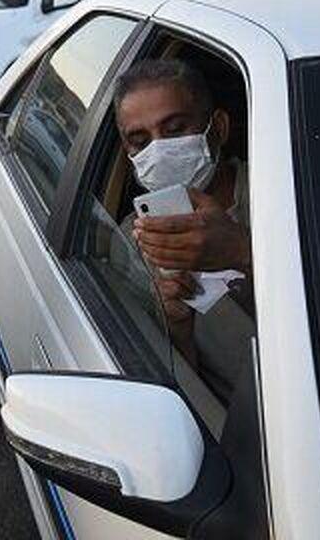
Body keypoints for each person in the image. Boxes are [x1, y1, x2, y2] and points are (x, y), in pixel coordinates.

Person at [113, 59, 251, 390]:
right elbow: (173, 394)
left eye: (175, 129)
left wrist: (244, 250)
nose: (158, 151)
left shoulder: (285, 182)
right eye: (140, 140)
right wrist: (176, 325)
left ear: (218, 128)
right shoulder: (136, 240)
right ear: (128, 153)